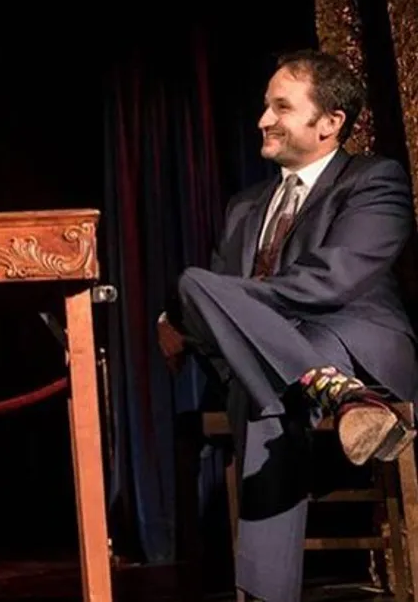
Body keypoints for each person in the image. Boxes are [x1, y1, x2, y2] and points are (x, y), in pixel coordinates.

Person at [157, 49, 418, 602]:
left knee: (236, 341)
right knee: (219, 317)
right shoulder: (244, 206)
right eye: (264, 105)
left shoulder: (375, 180)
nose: (263, 119)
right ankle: (333, 390)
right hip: (277, 368)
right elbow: (216, 312)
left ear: (329, 124)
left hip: (351, 338)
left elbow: (330, 281)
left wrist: (197, 305)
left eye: (281, 106)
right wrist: (180, 317)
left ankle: (263, 595)